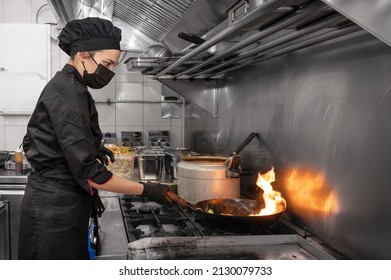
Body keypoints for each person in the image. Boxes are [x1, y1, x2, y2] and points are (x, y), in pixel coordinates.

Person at [18, 17, 172, 260]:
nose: (109, 72)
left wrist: (92, 147)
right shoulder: (68, 93)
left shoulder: (73, 86)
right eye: (106, 63)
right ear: (82, 55)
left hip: (64, 205)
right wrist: (147, 189)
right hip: (53, 213)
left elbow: (59, 138)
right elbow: (90, 174)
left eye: (113, 66)